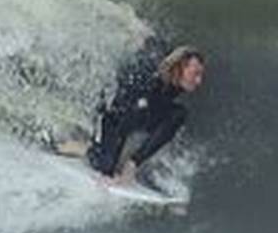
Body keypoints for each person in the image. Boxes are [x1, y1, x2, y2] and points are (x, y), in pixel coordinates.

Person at [58, 44, 205, 185]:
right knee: (105, 165)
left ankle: (131, 162)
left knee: (179, 114)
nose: (199, 81)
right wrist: (113, 160)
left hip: (138, 113)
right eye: (195, 74)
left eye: (201, 75)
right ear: (181, 66)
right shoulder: (149, 78)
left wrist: (132, 164)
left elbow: (153, 43)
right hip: (112, 112)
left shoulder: (174, 82)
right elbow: (118, 114)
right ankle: (81, 147)